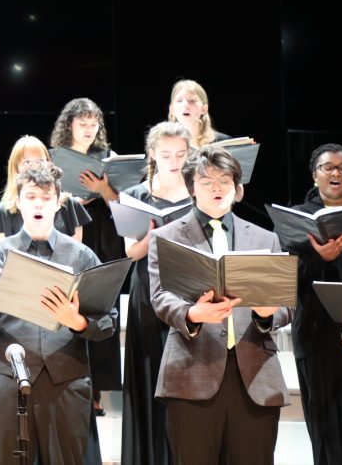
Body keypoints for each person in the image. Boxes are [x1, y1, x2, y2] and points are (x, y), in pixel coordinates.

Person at [148, 146, 293, 464]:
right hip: (190, 372)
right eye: (206, 180)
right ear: (191, 188)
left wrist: (267, 314)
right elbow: (160, 297)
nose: (216, 187)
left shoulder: (264, 238)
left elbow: (286, 304)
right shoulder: (168, 236)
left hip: (254, 376)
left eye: (224, 180)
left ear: (237, 189)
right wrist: (192, 313)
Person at [0, 161, 117, 465]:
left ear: (58, 202)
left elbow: (108, 322)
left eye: (46, 197)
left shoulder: (81, 255)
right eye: (31, 196)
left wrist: (75, 320)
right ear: (18, 202)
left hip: (66, 382)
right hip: (10, 380)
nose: (38, 203)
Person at [119, 121, 191, 465]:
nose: (174, 162)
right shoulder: (135, 195)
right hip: (147, 291)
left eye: (180, 154)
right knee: (149, 374)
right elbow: (131, 252)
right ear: (153, 155)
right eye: (166, 155)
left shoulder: (198, 193)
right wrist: (154, 239)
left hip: (188, 293)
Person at [49, 97, 123, 418]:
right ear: (69, 125)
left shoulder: (109, 158)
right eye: (83, 123)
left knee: (98, 308)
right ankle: (69, 378)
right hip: (69, 233)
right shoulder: (55, 158)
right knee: (69, 306)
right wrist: (68, 196)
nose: (90, 129)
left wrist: (104, 191)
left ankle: (97, 390)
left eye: (94, 123)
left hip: (103, 235)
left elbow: (123, 204)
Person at [288, 144, 342, 464]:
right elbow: (288, 279)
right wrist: (318, 257)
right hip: (317, 335)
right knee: (326, 427)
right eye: (328, 167)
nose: (336, 173)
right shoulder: (296, 217)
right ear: (315, 176)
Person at [0, 135, 91, 242]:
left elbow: (76, 254)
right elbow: (2, 255)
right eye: (27, 162)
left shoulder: (69, 206)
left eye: (39, 161)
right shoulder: (2, 211)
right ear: (16, 168)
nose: (34, 167)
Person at [166, 79, 229, 148]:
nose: (185, 105)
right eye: (179, 100)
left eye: (192, 100)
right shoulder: (163, 144)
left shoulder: (224, 142)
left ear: (204, 109)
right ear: (172, 110)